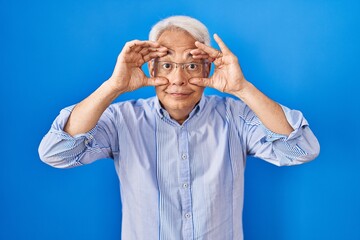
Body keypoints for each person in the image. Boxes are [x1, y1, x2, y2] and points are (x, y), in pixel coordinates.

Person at [39, 15, 320, 240]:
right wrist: (113, 87)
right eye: (167, 65)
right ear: (152, 70)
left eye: (192, 66)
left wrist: (243, 89)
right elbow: (56, 153)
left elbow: (300, 149)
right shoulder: (122, 119)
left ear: (208, 70)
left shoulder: (235, 117)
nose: (178, 79)